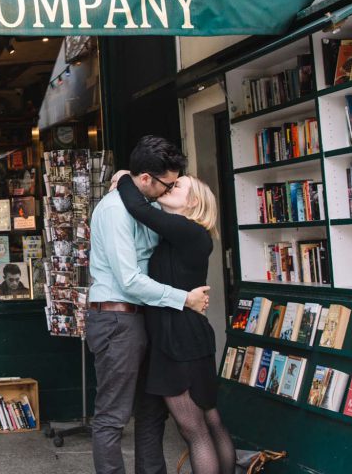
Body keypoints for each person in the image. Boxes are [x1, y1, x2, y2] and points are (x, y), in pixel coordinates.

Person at [87, 135, 210, 474]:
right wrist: (183, 298)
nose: (170, 190)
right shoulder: (114, 211)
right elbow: (128, 280)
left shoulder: (151, 206)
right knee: (113, 416)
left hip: (146, 319)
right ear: (146, 179)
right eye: (167, 184)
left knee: (151, 413)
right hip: (117, 319)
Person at [114, 172, 233, 474]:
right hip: (189, 334)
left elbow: (139, 209)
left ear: (193, 202)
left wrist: (125, 177)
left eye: (177, 186)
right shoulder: (187, 234)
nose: (169, 186)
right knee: (209, 421)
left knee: (194, 430)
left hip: (176, 338)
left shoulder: (187, 230)